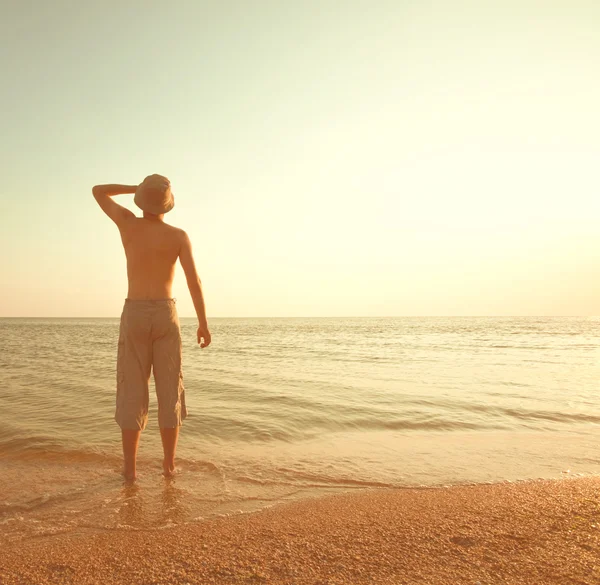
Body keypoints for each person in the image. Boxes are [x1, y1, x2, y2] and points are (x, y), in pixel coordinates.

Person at [92, 174, 211, 481]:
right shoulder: (178, 235)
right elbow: (193, 281)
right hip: (165, 313)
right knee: (169, 390)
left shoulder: (128, 224)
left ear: (141, 201)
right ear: (168, 205)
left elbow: (99, 191)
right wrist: (203, 323)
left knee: (133, 390)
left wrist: (135, 189)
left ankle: (130, 470)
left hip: (134, 312)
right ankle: (169, 466)